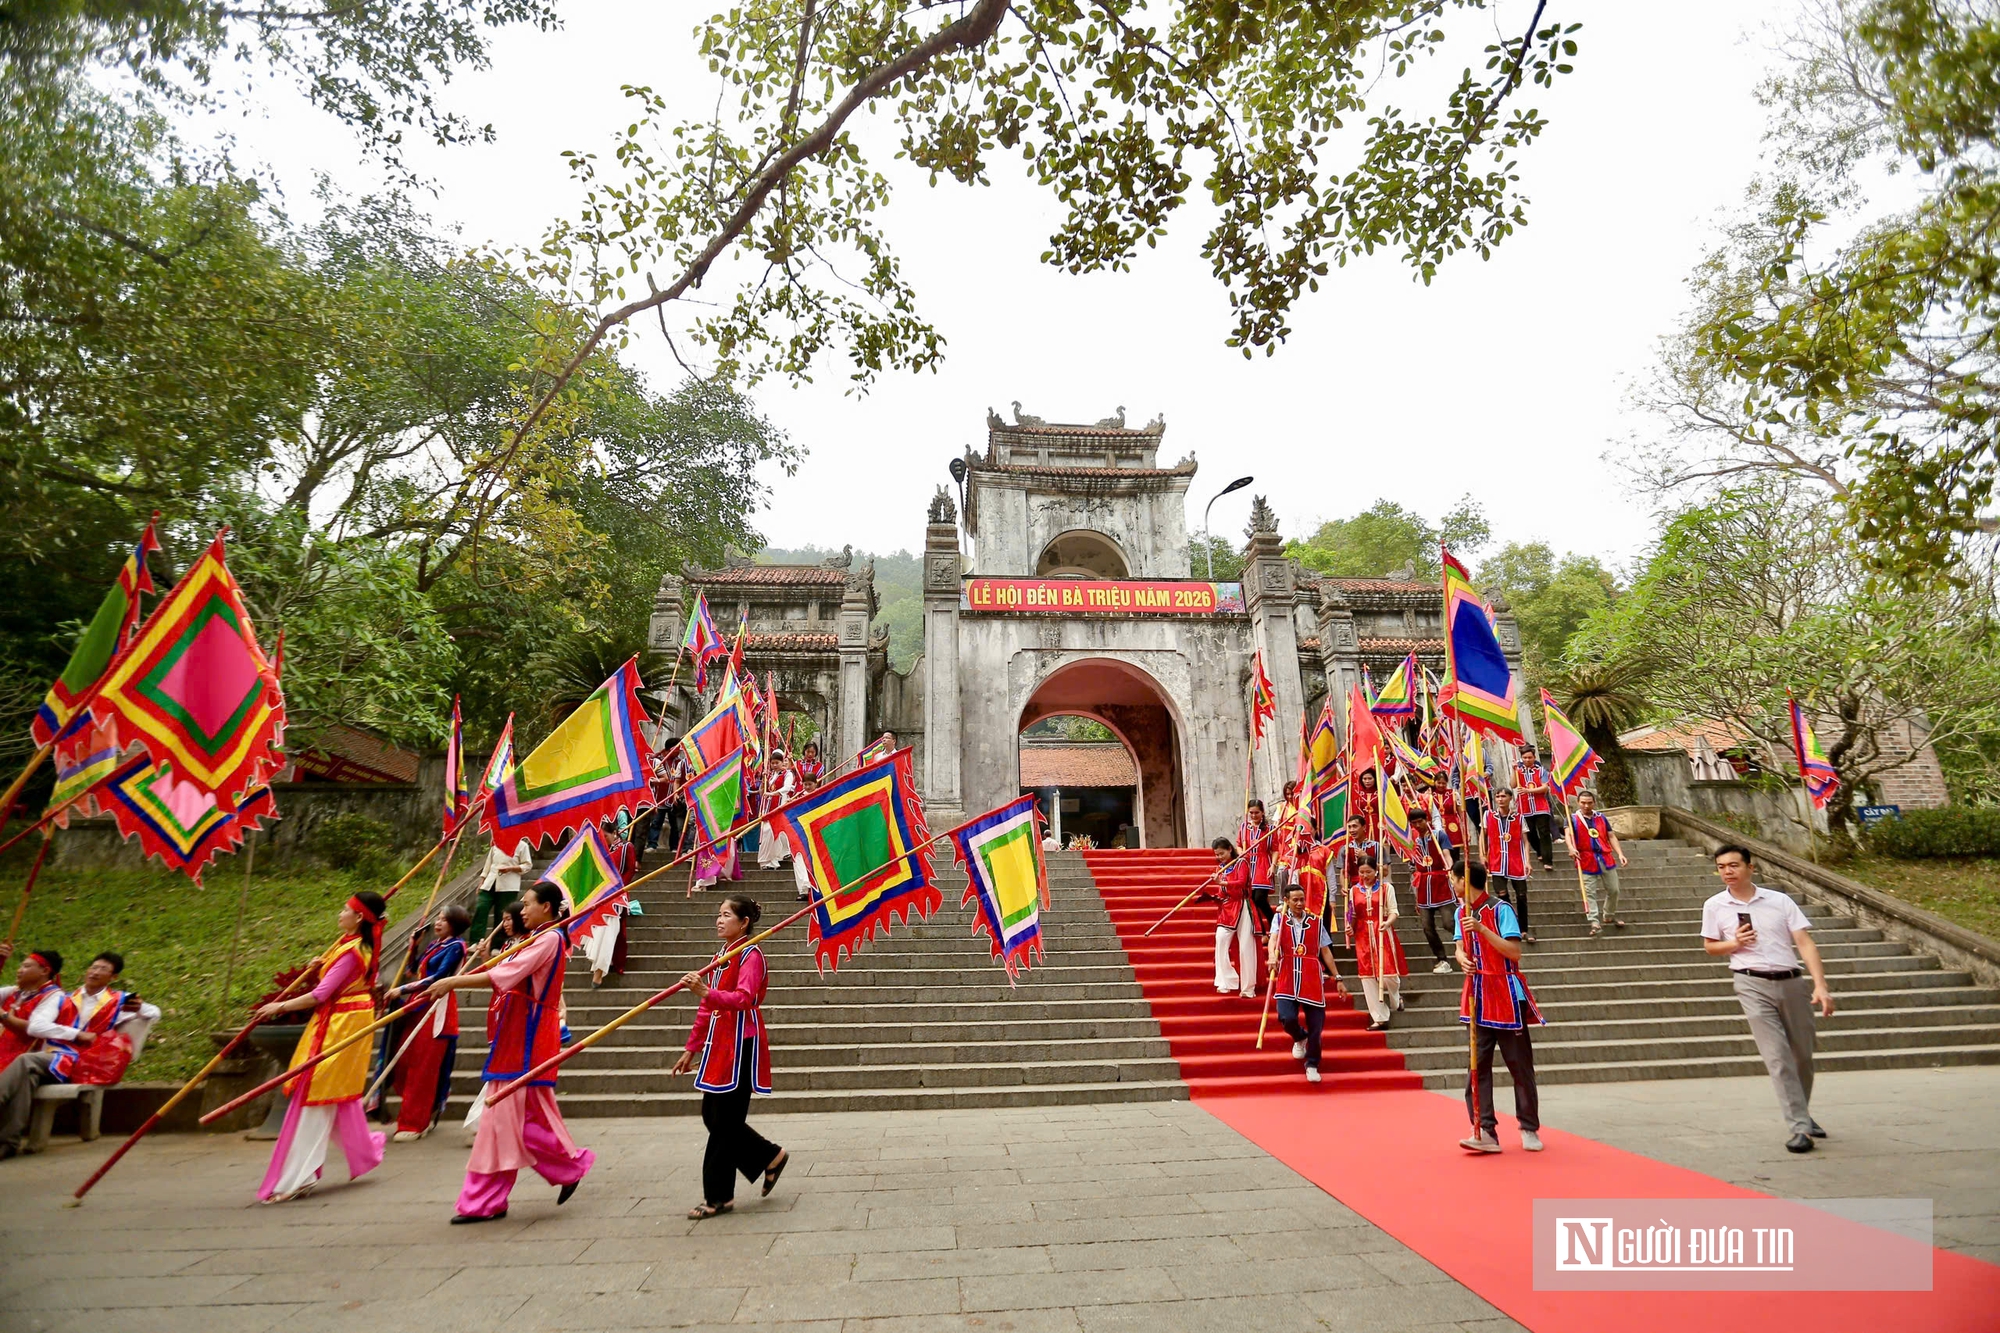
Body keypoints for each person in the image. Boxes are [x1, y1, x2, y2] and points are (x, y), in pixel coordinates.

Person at [425, 881, 595, 1221]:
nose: (522, 909)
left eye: (528, 903)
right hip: (517, 1030)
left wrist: (451, 982)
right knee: (521, 1115)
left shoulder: (548, 939)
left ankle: (487, 1198)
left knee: (506, 1119)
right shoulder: (537, 938)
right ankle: (564, 1167)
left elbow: (505, 975)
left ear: (546, 907)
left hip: (529, 1033)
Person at [254, 894, 389, 1202]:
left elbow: (321, 994)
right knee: (330, 1095)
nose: (340, 913)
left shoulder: (353, 951)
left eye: (346, 910)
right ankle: (362, 1152)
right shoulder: (351, 945)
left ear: (359, 918)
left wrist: (279, 1006)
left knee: (317, 1097)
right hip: (343, 1022)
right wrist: (321, 965)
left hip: (338, 1028)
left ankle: (298, 1176)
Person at [1700, 844, 1833, 1153]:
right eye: (1721, 867)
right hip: (1750, 983)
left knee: (1802, 1055)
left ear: (1750, 867)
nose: (1727, 872)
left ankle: (1803, 1113)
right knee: (1778, 1057)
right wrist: (1734, 943)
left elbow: (1805, 943)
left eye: (1733, 865)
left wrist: (1820, 985)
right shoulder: (1715, 905)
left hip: (1791, 982)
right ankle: (1800, 1127)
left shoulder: (1779, 901)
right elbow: (1710, 946)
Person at [673, 894, 788, 1219]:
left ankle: (719, 1197)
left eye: (726, 915)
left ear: (744, 922)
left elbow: (744, 998)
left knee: (723, 1122)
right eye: (719, 914)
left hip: (742, 1042)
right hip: (718, 1042)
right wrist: (691, 1048)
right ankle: (770, 1157)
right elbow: (706, 1008)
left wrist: (706, 991)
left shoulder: (751, 954)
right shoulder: (721, 954)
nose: (719, 919)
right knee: (714, 1117)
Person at [1455, 865, 1545, 1154]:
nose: (1452, 883)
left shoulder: (1500, 909)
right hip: (1478, 996)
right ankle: (1483, 1129)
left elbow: (1514, 952)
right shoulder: (1461, 913)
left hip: (1506, 993)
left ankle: (1528, 1126)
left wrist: (1482, 929)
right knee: (1476, 1066)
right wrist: (1461, 959)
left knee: (1519, 1065)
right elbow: (1459, 946)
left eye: (1454, 879)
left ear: (1463, 880)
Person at [384, 906, 472, 1142]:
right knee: (402, 1063)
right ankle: (426, 1105)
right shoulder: (435, 945)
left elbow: (438, 978)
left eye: (444, 919)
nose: (438, 922)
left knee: (422, 1069)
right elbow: (414, 971)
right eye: (438, 918)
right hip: (418, 1005)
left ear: (455, 923)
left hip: (437, 1009)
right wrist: (414, 945)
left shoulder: (457, 947)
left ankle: (414, 1123)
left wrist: (401, 989)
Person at [0, 949, 86, 1159]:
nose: (19, 970)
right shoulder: (16, 993)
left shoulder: (53, 996)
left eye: (27, 966)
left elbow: (35, 1027)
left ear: (44, 971)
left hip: (56, 1054)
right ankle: (8, 1143)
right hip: (24, 1060)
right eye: (20, 965)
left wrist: (2, 1015)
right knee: (27, 1076)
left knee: (25, 1061)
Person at [1268, 883, 1350, 1084]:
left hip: (1312, 976)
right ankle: (1299, 1037)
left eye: (1302, 899)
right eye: (1294, 900)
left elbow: (1325, 951)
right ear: (1286, 901)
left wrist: (1337, 977)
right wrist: (1272, 956)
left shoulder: (1315, 921)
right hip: (1288, 973)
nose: (1299, 903)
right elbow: (1273, 939)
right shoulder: (1279, 919)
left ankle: (1312, 1063)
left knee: (1316, 1025)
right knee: (1286, 1017)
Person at [68, 951, 160, 1087]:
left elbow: (155, 1013)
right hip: (61, 1049)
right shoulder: (66, 998)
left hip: (91, 1058)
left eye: (103, 969)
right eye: (94, 967)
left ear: (114, 977)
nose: (95, 972)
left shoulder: (117, 1000)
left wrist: (138, 1008)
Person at [1346, 860, 1407, 1030]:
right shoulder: (1353, 891)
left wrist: (1387, 923)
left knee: (1389, 974)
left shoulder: (1387, 888)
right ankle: (1380, 1017)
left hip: (1382, 931)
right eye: (1361, 872)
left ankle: (1396, 998)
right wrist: (1349, 926)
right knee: (1367, 976)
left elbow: (1394, 911)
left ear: (1376, 871)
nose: (1364, 876)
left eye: (1368, 872)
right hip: (1362, 935)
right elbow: (1351, 914)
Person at [1200, 837, 1261, 999]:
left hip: (1244, 905)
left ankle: (1248, 987)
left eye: (1221, 853)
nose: (1219, 857)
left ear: (1229, 849)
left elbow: (1241, 882)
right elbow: (1222, 892)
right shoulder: (1220, 867)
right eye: (1217, 854)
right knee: (1220, 939)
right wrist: (1215, 896)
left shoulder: (1242, 863)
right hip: (1228, 908)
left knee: (1245, 947)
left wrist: (1223, 883)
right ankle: (1225, 981)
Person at [1565, 791, 1628, 935]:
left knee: (1614, 889)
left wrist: (1620, 853)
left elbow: (1611, 836)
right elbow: (1568, 834)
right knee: (1589, 892)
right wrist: (1570, 847)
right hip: (1585, 858)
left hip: (1605, 857)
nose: (1586, 806)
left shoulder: (1601, 817)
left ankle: (1609, 914)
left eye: (1589, 803)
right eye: (1583, 803)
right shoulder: (1572, 818)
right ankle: (1594, 920)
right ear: (1578, 803)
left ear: (1594, 803)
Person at [1481, 789, 1535, 944]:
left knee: (1521, 896)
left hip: (1516, 861)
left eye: (1504, 796)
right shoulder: (1488, 815)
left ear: (1510, 798)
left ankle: (1524, 929)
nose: (1500, 799)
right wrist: (1482, 854)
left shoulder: (1518, 818)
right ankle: (1513, 926)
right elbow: (1482, 836)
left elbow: (1525, 841)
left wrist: (1527, 861)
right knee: (1502, 895)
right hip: (1497, 861)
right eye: (1497, 796)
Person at [1408, 810, 1457, 973]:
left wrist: (1449, 867)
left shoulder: (1439, 835)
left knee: (1449, 923)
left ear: (1427, 819)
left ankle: (1469, 949)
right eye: (1413, 823)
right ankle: (1442, 959)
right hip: (1422, 885)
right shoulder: (1411, 840)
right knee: (1427, 927)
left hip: (1441, 882)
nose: (1417, 825)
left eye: (1420, 821)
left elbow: (1446, 854)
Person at [471, 837, 534, 941]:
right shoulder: (496, 844)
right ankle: (475, 941)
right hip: (490, 882)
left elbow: (527, 865)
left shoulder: (522, 846)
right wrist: (482, 881)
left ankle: (497, 945)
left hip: (509, 885)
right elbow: (488, 864)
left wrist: (510, 868)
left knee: (502, 915)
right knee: (481, 908)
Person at [1513, 747, 1557, 871]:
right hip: (1524, 807)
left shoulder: (1541, 770)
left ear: (1534, 758)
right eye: (1525, 758)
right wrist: (1514, 771)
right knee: (1530, 832)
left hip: (1540, 806)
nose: (1527, 760)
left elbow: (1545, 788)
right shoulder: (1519, 771)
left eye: (1529, 757)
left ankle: (1548, 860)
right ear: (1522, 758)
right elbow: (1513, 785)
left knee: (1544, 833)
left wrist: (1529, 791)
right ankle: (1539, 851)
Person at [1239, 800, 1277, 926]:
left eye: (1257, 813)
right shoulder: (1244, 827)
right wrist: (1242, 853)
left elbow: (1275, 849)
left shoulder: (1270, 829)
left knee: (1259, 899)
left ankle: (1273, 924)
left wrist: (1273, 865)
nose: (1254, 816)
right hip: (1248, 865)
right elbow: (1238, 845)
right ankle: (1262, 932)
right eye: (1251, 813)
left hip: (1263, 864)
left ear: (1263, 812)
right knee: (1251, 901)